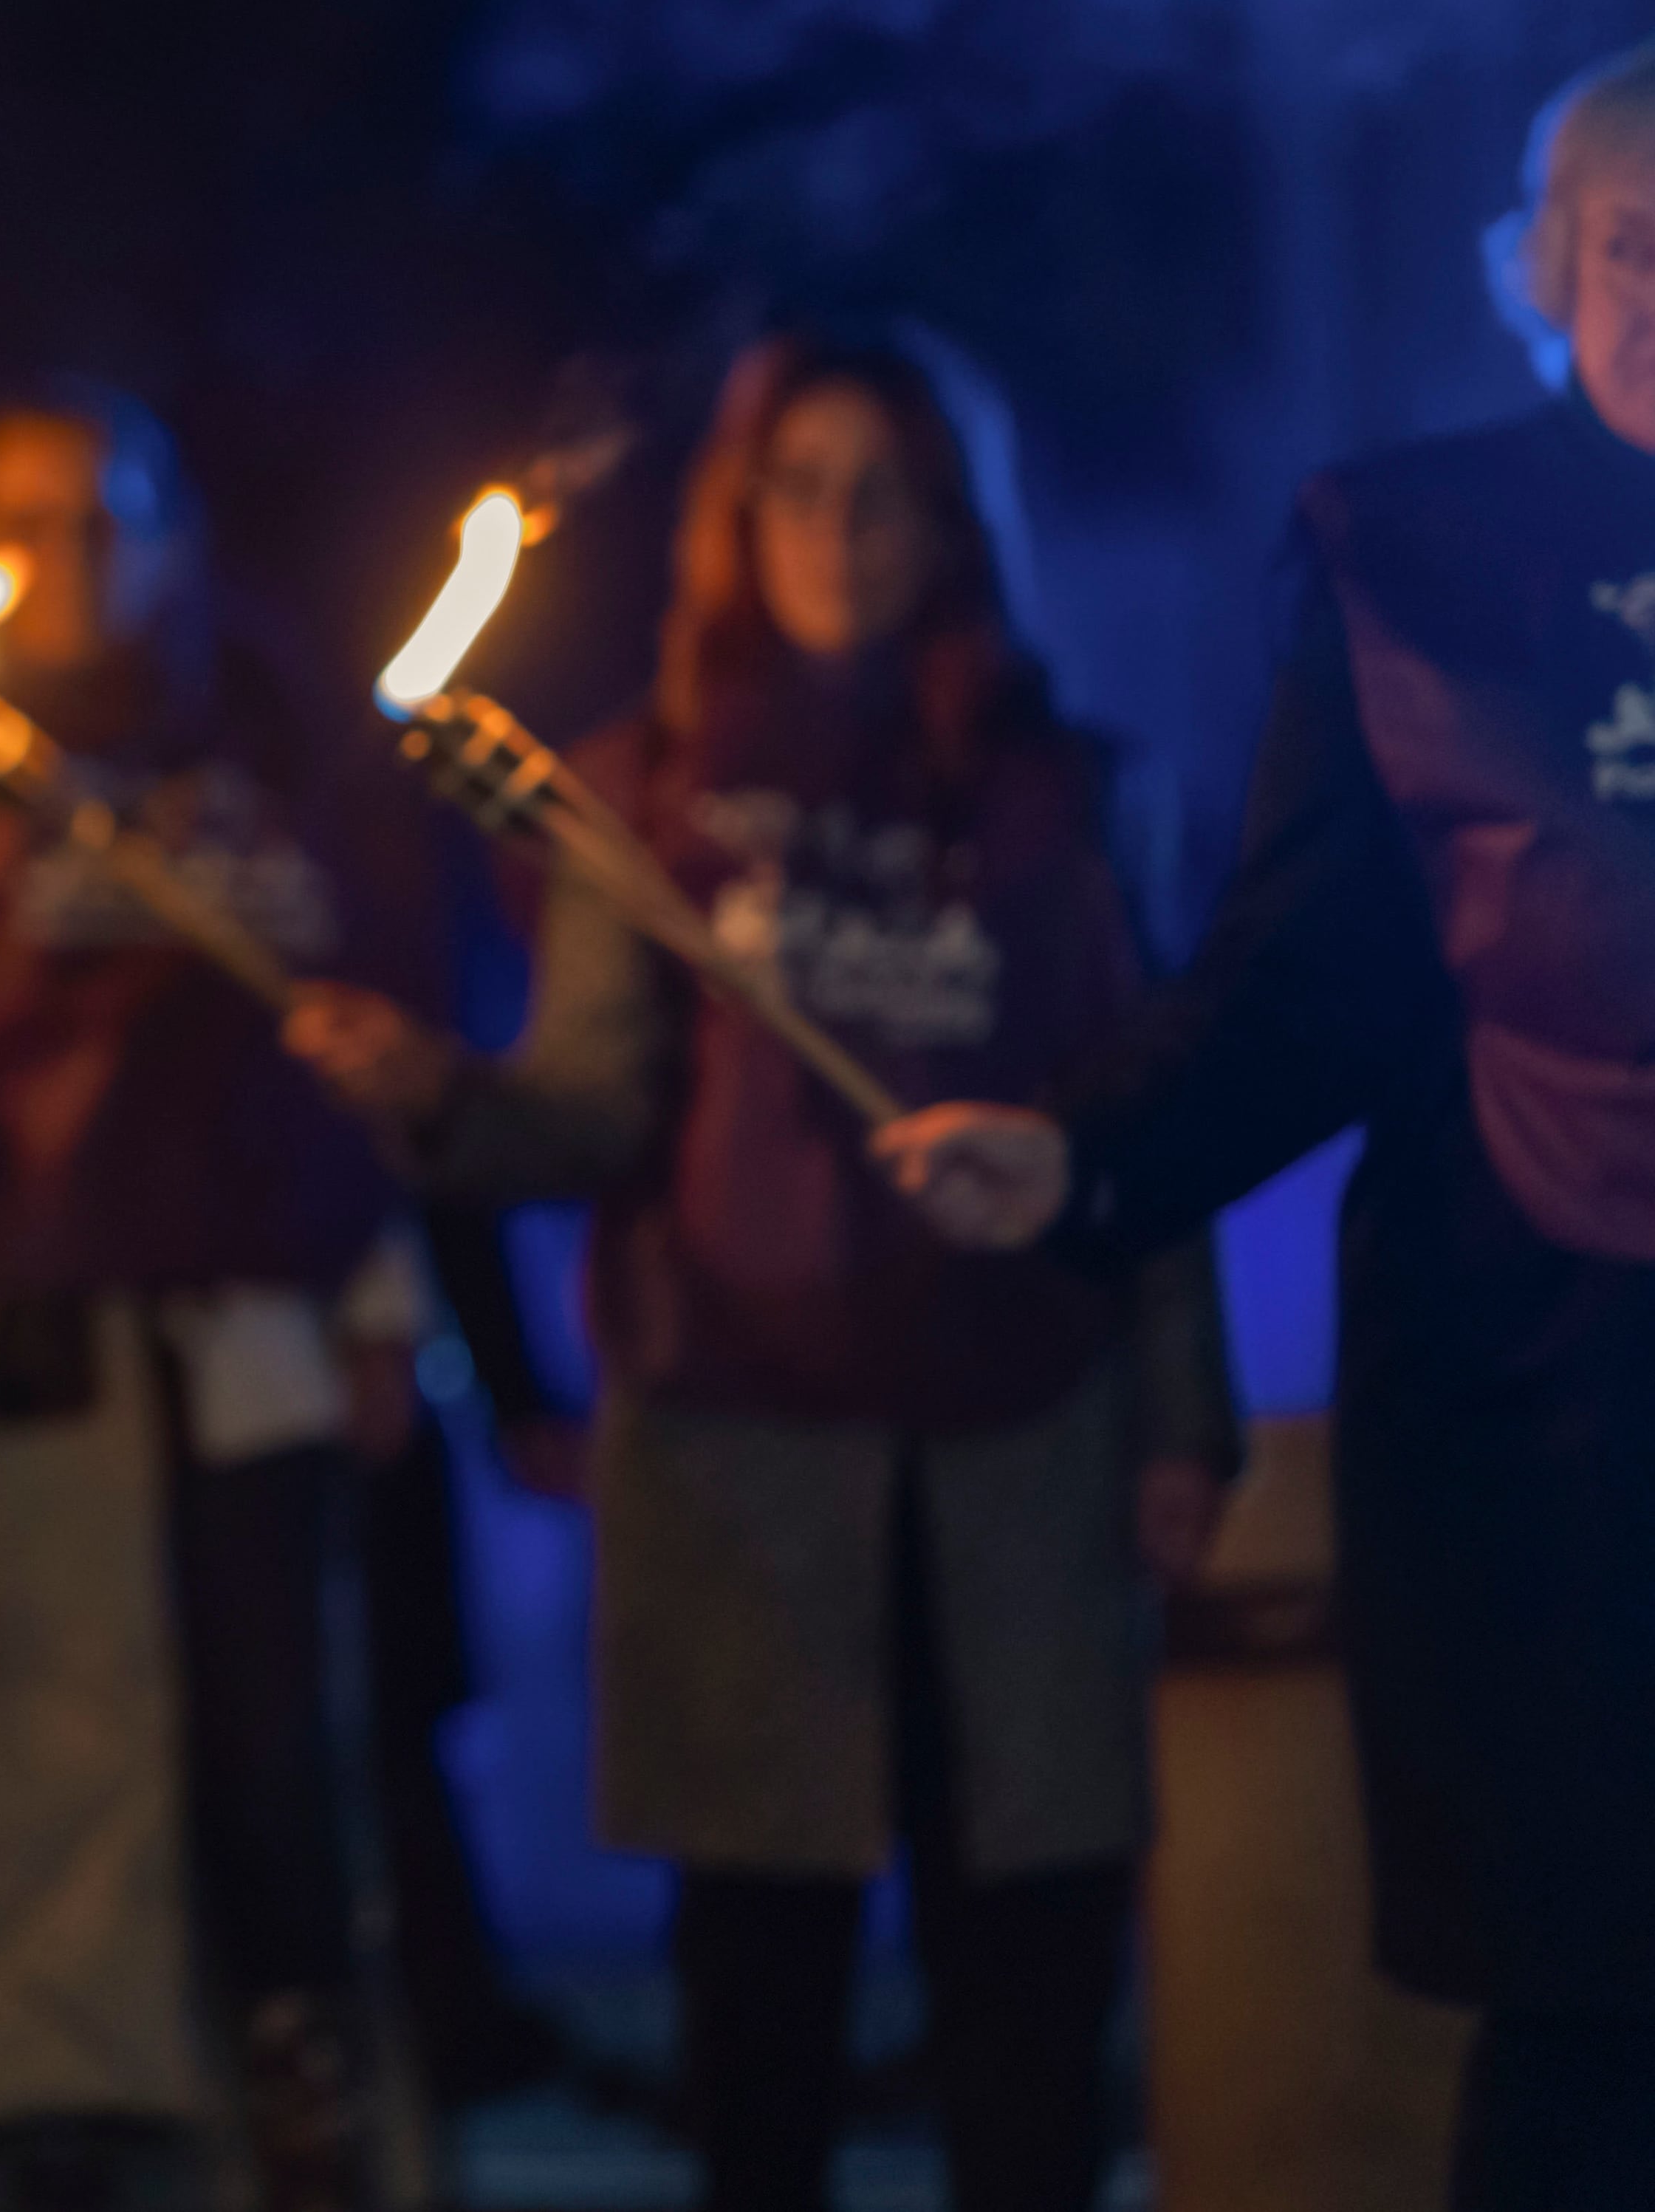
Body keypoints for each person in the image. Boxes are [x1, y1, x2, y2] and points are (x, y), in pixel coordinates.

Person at [289, 329, 1236, 2212]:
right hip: (743, 1448)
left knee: (1027, 1971)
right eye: (794, 483)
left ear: (953, 522)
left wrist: (1182, 1422)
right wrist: (436, 1099)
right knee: (761, 1986)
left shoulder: (1070, 790)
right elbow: (581, 1107)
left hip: (1017, 1434)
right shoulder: (636, 791)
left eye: (881, 484)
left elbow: (1156, 1120)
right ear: (734, 518)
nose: (838, 525)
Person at [881, 43, 1655, 2211]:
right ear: (1552, 267)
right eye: (1637, 241)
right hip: (1550, 1397)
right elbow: (1309, 973)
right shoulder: (1418, 555)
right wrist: (1088, 1147)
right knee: (1594, 2009)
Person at [0, 389, 442, 2210]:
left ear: (174, 530)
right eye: (27, 522)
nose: (70, 560)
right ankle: (78, 2104)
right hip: (32, 1339)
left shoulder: (277, 743)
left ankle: (299, 2087)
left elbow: (371, 1019)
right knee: (65, 1754)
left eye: (105, 519)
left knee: (273, 1739)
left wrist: (377, 1286)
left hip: (247, 1321)